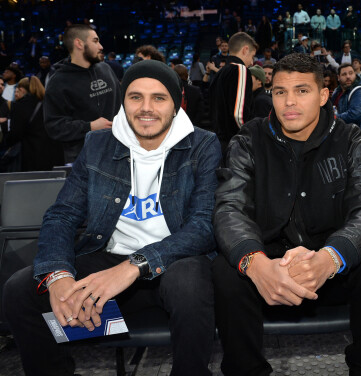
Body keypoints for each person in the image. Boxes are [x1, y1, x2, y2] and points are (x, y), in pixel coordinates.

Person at [2, 59, 221, 376]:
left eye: (159, 97)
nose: (146, 108)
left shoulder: (202, 144)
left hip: (174, 261)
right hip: (107, 259)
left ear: (176, 104)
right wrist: (58, 275)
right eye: (135, 97)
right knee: (19, 290)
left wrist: (134, 265)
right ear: (123, 101)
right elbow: (62, 214)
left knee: (189, 281)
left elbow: (203, 227)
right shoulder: (99, 143)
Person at [213, 52, 361, 376]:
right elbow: (230, 208)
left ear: (324, 95)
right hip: (269, 261)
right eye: (280, 92)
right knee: (227, 270)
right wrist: (254, 263)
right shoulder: (249, 139)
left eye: (302, 90)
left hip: (332, 259)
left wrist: (331, 257)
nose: (289, 102)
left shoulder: (349, 138)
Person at [43, 24, 121, 164]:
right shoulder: (58, 81)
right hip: (82, 160)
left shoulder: (106, 69)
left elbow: (123, 105)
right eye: (95, 41)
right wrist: (89, 127)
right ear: (79, 43)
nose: (101, 46)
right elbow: (54, 127)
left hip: (117, 153)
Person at [209, 31, 257, 155]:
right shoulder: (240, 69)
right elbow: (239, 114)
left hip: (218, 143)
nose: (252, 62)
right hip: (235, 143)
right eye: (252, 56)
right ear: (245, 50)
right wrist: (252, 137)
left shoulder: (220, 73)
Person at [3, 76, 63, 171]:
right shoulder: (51, 104)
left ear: (22, 89)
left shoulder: (20, 107)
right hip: (54, 157)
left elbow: (15, 135)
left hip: (31, 157)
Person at [331, 63, 361, 150]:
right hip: (344, 138)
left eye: (351, 73)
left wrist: (334, 117)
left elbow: (355, 115)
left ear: (355, 74)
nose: (348, 76)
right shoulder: (337, 91)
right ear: (338, 77)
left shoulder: (360, 91)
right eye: (344, 74)